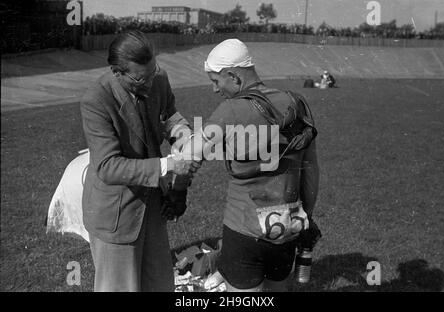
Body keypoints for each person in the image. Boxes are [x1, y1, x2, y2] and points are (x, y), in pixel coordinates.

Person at [181, 39, 320, 292]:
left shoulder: (230, 110)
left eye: (216, 81)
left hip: (243, 229)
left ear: (233, 76)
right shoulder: (296, 103)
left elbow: (188, 158)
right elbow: (311, 171)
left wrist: (177, 191)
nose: (215, 90)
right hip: (288, 227)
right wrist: (307, 217)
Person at [80, 30, 200, 292]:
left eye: (152, 73)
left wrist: (184, 135)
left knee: (159, 284)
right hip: (116, 214)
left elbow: (170, 115)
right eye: (139, 79)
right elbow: (108, 166)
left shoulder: (157, 77)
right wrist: (168, 165)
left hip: (152, 207)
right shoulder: (96, 100)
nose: (148, 84)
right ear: (116, 71)